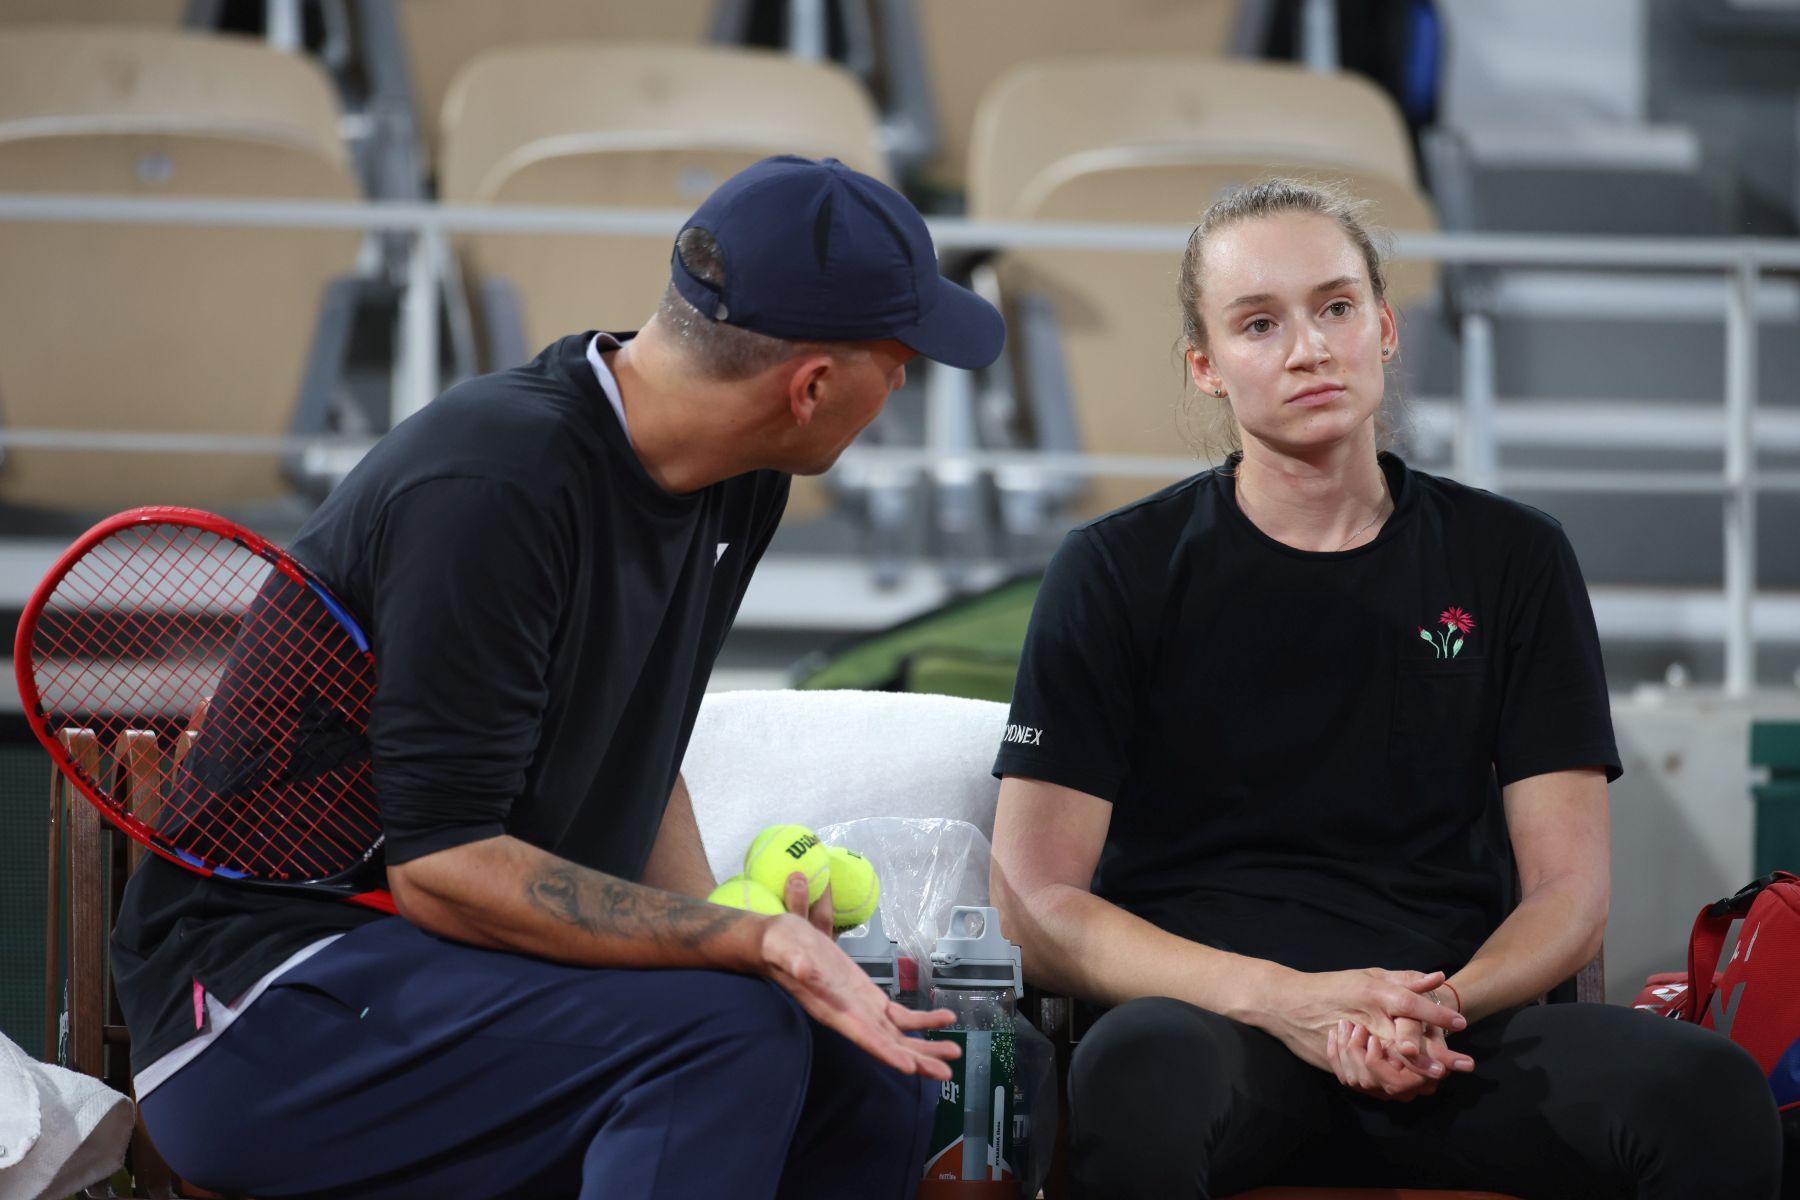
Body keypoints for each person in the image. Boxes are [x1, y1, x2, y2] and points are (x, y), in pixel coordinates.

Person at [113, 155, 1006, 1199]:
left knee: (868, 1061)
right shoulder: (493, 485)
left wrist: (746, 936)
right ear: (809, 388)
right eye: (897, 360)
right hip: (262, 1004)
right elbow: (443, 867)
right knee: (725, 1036)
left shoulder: (743, 478)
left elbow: (649, 742)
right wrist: (740, 940)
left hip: (460, 978)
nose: (903, 384)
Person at [988, 178, 1782, 1199]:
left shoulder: (1514, 559)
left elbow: (1570, 896)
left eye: (1335, 308)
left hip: (1453, 1035)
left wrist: (1430, 1008)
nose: (1309, 347)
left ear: (1386, 328)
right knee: (1135, 1072)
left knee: (1710, 1091)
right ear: (1206, 367)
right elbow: (1035, 901)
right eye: (1259, 323)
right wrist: (1286, 1003)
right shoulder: (1113, 569)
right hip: (1220, 1029)